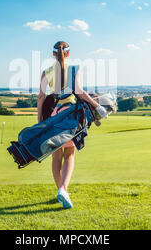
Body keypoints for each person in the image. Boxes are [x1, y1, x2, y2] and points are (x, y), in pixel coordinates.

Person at [37, 41, 108, 209]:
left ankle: (60, 191)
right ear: (67, 53)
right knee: (69, 152)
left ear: (53, 54)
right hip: (70, 115)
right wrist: (97, 106)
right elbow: (79, 92)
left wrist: (40, 121)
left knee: (56, 155)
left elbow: (41, 98)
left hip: (53, 116)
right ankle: (63, 189)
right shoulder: (74, 68)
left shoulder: (46, 72)